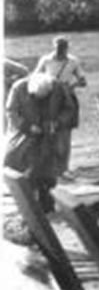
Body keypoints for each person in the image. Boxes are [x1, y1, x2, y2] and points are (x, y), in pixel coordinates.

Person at [5, 71, 76, 212]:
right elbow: (11, 111)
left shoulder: (58, 87)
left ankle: (47, 206)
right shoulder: (19, 88)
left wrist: (58, 123)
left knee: (49, 171)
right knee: (23, 169)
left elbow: (69, 109)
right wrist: (27, 126)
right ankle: (28, 207)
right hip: (26, 136)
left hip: (50, 137)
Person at [34, 35, 86, 175]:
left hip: (66, 99)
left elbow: (83, 81)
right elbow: (35, 77)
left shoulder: (73, 61)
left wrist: (71, 86)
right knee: (48, 133)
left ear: (66, 48)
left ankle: (64, 168)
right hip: (48, 98)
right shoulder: (46, 60)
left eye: (62, 48)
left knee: (64, 134)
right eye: (58, 48)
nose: (59, 51)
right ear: (54, 47)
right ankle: (50, 168)